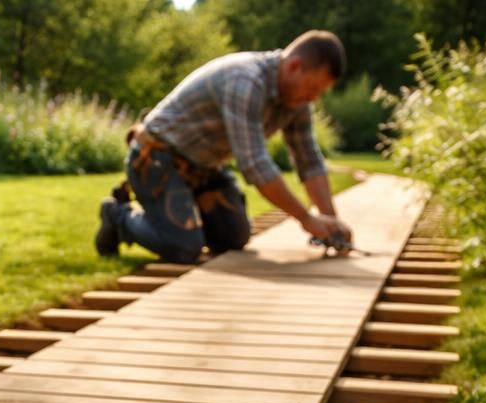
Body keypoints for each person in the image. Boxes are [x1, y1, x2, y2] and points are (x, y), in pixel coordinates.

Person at [95, 30, 354, 263]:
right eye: (313, 88)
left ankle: (182, 223)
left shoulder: (298, 103)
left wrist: (331, 224)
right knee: (183, 247)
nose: (313, 98)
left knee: (233, 238)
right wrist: (307, 219)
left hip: (203, 168)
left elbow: (309, 160)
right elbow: (256, 166)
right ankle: (118, 216)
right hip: (156, 159)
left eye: (320, 92)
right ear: (294, 66)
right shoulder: (245, 80)